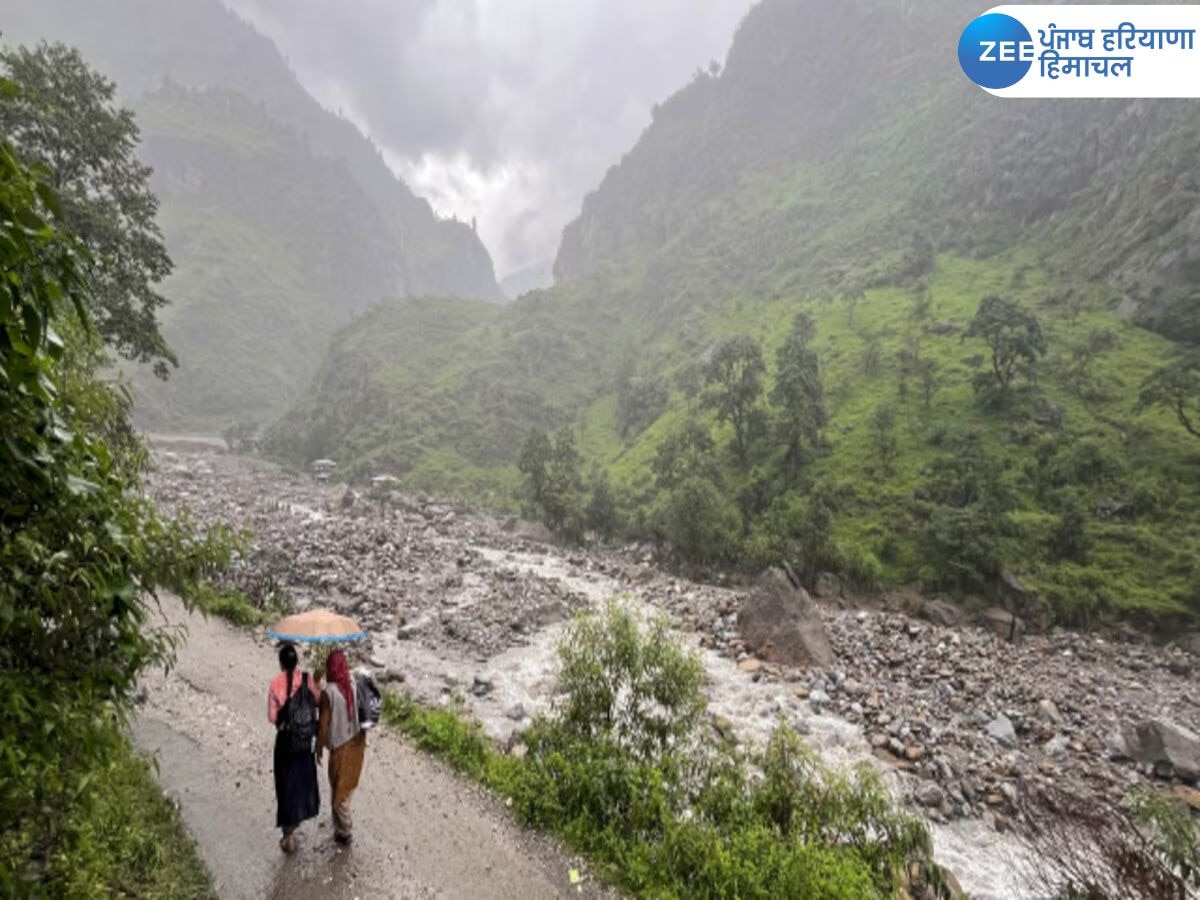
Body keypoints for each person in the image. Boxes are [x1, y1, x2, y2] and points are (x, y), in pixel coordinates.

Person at [268, 643, 320, 853]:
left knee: (285, 785)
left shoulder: (275, 684)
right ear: (297, 661)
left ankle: (288, 835)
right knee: (302, 782)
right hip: (306, 742)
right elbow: (318, 701)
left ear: (281, 663)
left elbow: (272, 717)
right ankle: (302, 814)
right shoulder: (308, 680)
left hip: (286, 743)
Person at [317, 649, 367, 845]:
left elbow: (322, 726)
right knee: (346, 788)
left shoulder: (328, 693)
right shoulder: (353, 685)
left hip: (340, 748)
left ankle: (345, 832)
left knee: (338, 791)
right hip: (357, 746)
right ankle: (339, 827)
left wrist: (318, 748)